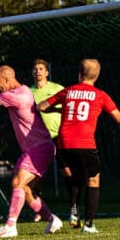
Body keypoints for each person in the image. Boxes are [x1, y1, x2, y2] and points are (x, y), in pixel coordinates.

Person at [37, 59, 120, 233]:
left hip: (63, 143)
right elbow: (119, 118)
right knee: (93, 179)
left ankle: (73, 211)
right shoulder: (100, 95)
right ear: (97, 75)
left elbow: (41, 106)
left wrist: (57, 110)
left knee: (76, 177)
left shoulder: (67, 91)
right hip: (84, 143)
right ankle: (89, 224)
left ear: (80, 73)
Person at [0, 65, 63, 239]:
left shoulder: (17, 96)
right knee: (25, 189)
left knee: (17, 182)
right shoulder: (19, 88)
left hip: (39, 148)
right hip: (35, 149)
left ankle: (10, 226)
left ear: (8, 80)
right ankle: (52, 219)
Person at [29, 58, 80, 226]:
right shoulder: (28, 92)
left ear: (47, 72)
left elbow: (69, 106)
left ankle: (73, 209)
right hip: (38, 139)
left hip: (58, 135)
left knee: (67, 172)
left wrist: (50, 107)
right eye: (35, 69)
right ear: (32, 72)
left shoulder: (57, 89)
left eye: (41, 69)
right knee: (35, 176)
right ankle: (39, 210)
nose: (38, 72)